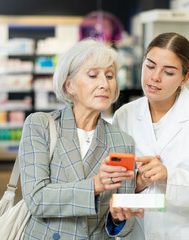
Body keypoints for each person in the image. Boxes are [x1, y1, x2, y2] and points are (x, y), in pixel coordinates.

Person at [18, 39, 143, 240]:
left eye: (110, 76)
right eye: (93, 75)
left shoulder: (122, 142)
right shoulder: (41, 125)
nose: (104, 83)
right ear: (69, 86)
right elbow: (36, 199)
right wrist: (94, 185)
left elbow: (124, 225)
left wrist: (118, 219)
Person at [113, 32, 189, 240]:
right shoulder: (124, 115)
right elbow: (117, 182)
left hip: (188, 232)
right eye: (150, 66)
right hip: (138, 232)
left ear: (185, 78)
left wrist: (168, 174)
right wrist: (140, 182)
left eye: (168, 72)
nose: (155, 77)